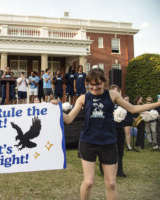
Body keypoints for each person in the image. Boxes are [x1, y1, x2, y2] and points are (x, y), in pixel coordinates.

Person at [56, 68, 160, 200]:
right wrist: (57, 109)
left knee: (111, 183)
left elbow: (133, 108)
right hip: (88, 142)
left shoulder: (112, 95)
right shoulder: (83, 98)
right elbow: (69, 119)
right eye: (91, 84)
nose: (94, 87)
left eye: (98, 84)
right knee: (88, 182)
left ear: (104, 82)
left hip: (108, 143)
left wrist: (157, 104)